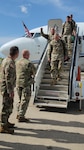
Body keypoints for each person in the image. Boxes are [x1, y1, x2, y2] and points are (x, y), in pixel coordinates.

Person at [0, 46, 19, 134]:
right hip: (7, 88)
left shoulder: (6, 60)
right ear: (16, 53)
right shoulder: (10, 62)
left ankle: (5, 122)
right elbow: (8, 78)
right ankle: (3, 126)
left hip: (6, 87)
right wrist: (10, 91)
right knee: (6, 107)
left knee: (9, 106)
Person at [16, 50, 36, 122]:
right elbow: (34, 72)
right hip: (26, 84)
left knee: (19, 99)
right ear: (27, 55)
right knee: (25, 100)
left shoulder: (17, 62)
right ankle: (21, 116)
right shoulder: (29, 63)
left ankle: (18, 113)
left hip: (18, 83)